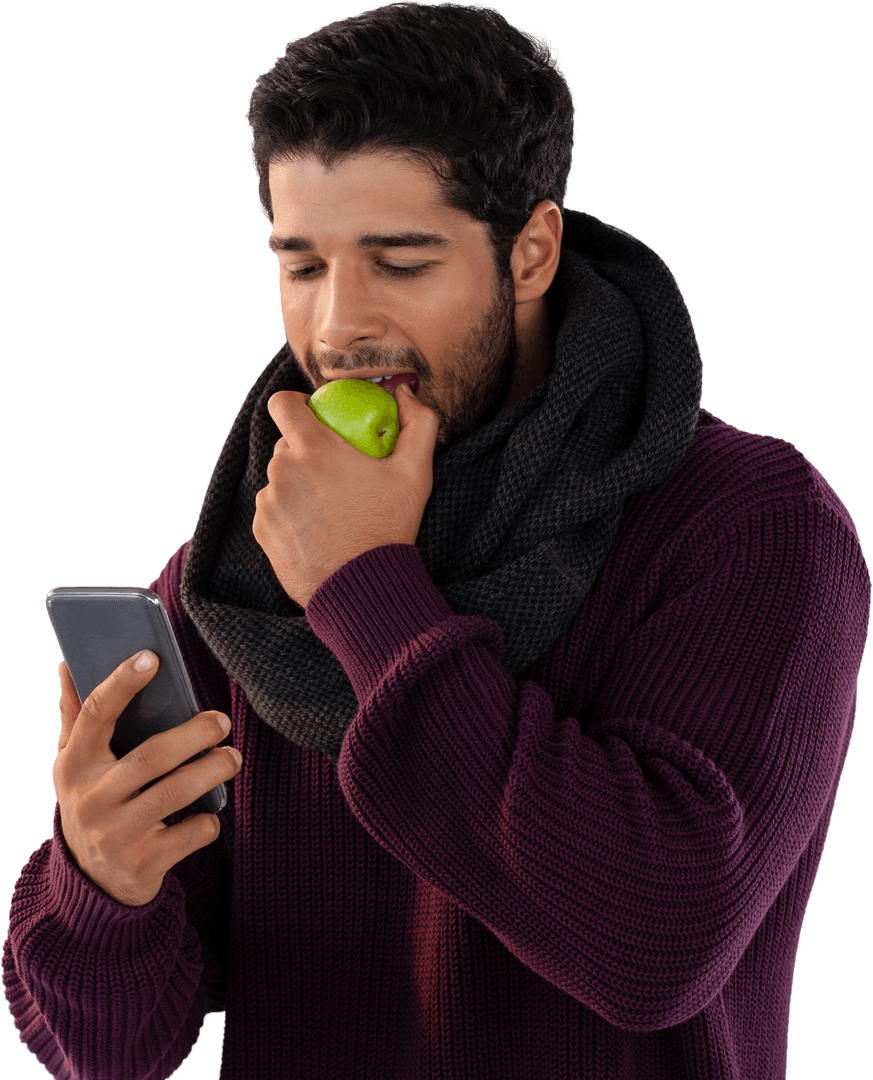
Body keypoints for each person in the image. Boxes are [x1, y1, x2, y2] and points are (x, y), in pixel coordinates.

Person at [3, 3, 869, 1078]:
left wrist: (368, 587)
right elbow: (111, 1047)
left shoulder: (748, 524)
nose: (336, 330)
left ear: (534, 251)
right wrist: (102, 882)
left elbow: (657, 944)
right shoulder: (240, 573)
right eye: (304, 264)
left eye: (400, 261)